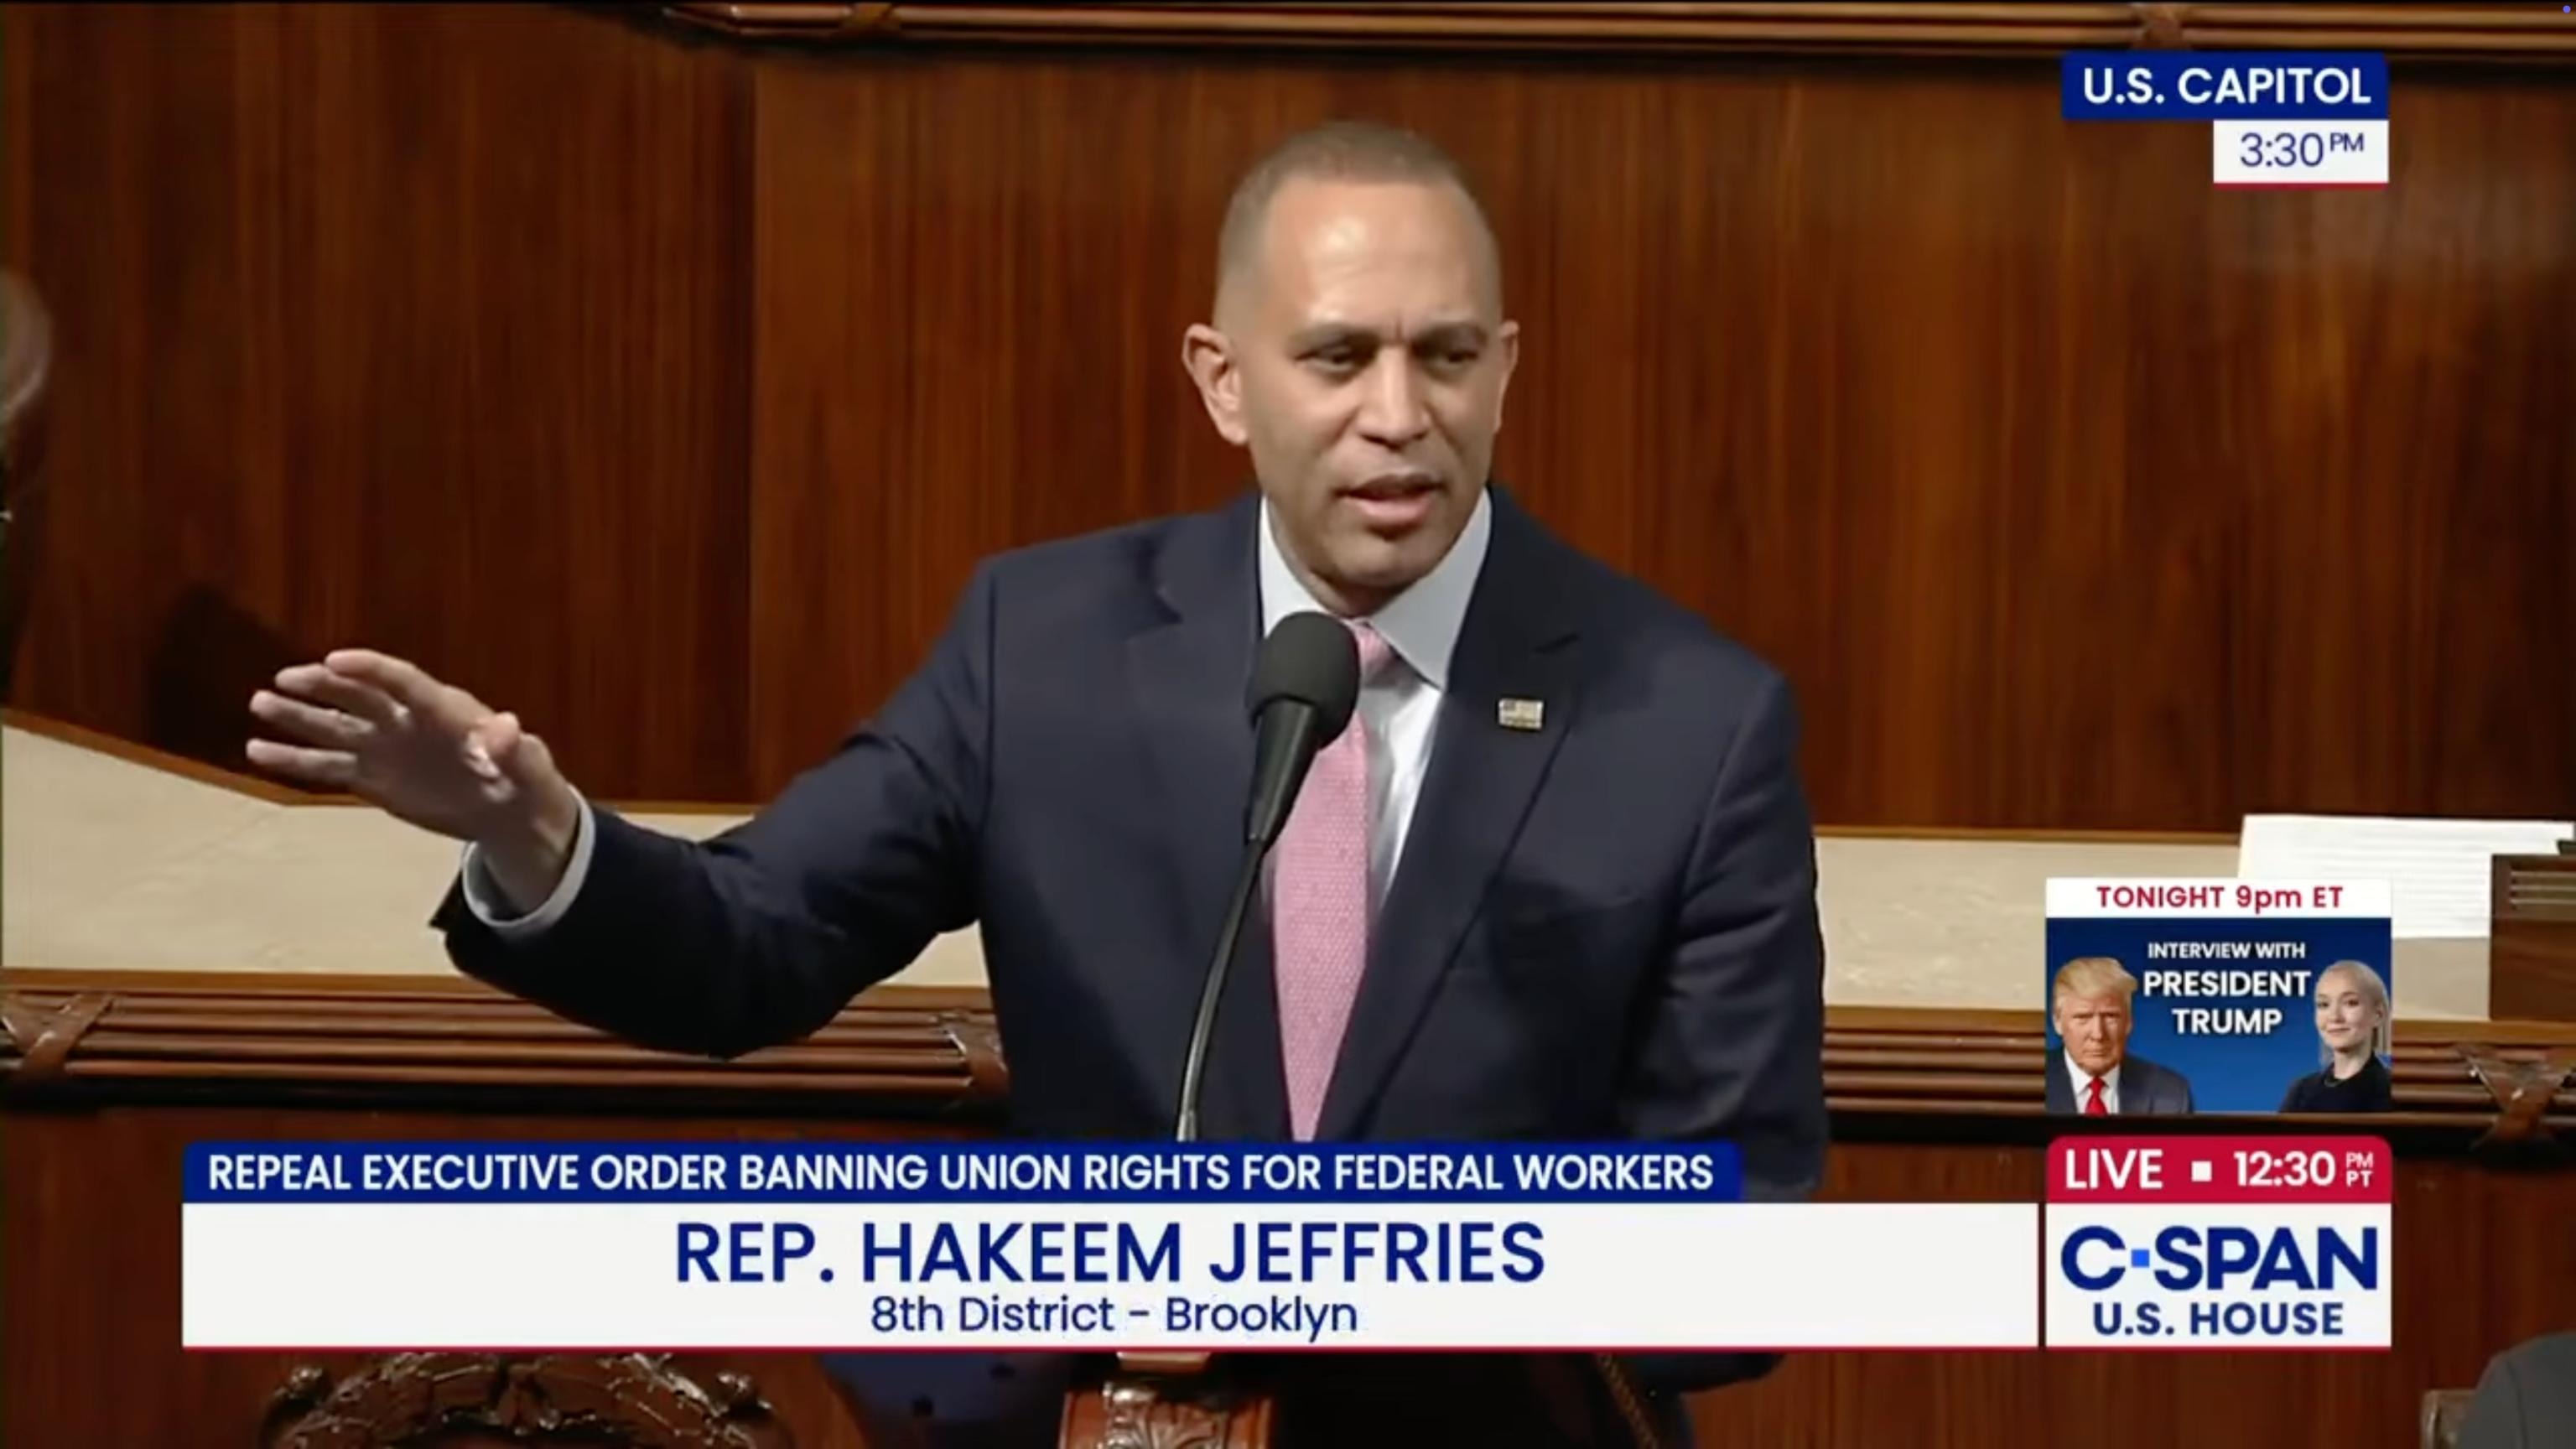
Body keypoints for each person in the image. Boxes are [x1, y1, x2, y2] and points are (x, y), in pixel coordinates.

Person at [246, 120, 1826, 1446]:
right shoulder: (1043, 645)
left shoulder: (1690, 723)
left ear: (1507, 370)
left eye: (1446, 357)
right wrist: (536, 831)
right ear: (1222, 379)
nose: (1396, 416)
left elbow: (1736, 1243)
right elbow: (756, 942)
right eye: (1336, 356)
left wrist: (1331, 1282)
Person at [2044, 957, 2194, 1114]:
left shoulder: (2170, 1092)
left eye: (2110, 1017)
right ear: (2057, 1022)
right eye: (2083, 1018)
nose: (2098, 1034)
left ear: (2129, 1021)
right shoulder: (2031, 1083)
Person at [2277, 959, 2393, 1113]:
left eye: (2350, 1003)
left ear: (2378, 1015)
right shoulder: (2301, 1091)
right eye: (2324, 1005)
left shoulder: (2390, 1091)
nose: (2334, 1017)